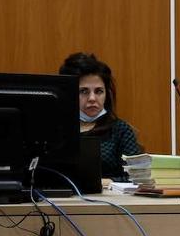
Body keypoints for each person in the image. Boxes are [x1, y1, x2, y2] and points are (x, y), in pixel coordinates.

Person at [59, 52, 142, 180]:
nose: (92, 98)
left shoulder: (120, 130)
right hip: (60, 197)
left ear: (107, 94)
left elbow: (136, 176)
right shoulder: (56, 128)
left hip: (110, 197)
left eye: (99, 91)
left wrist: (106, 182)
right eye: (83, 91)